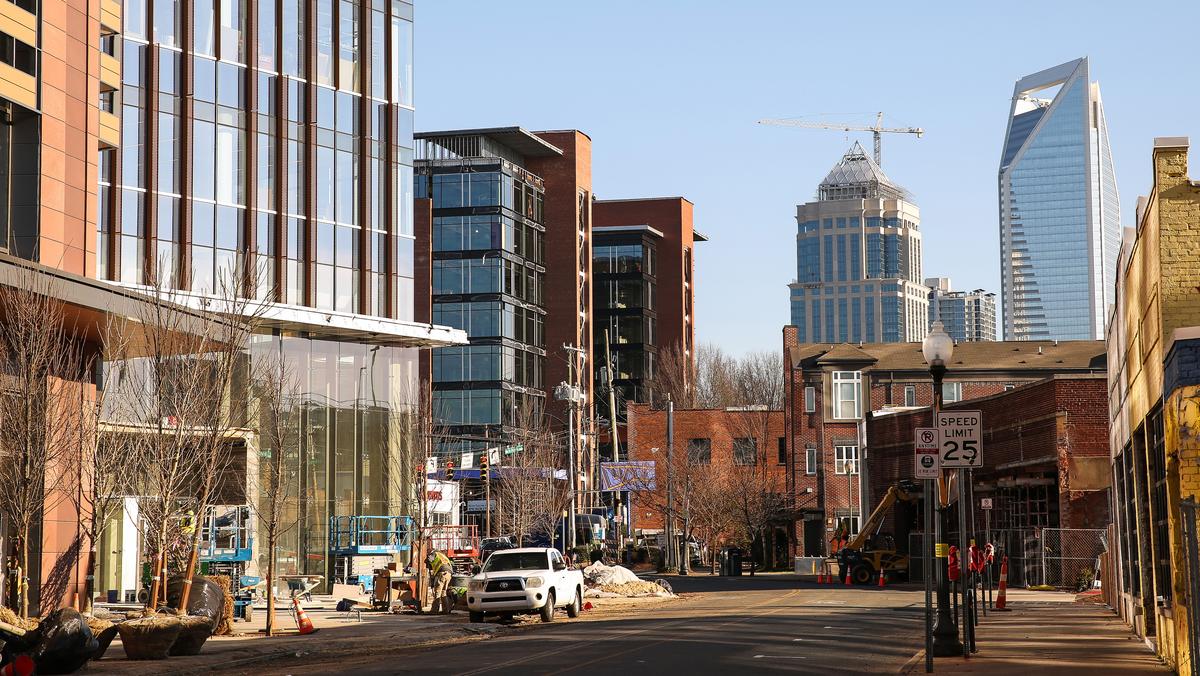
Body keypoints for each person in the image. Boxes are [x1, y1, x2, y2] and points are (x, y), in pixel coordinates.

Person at [426, 549, 454, 614]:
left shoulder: (434, 554)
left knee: (437, 592)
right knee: (444, 592)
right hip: (449, 574)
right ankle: (446, 610)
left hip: (442, 572)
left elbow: (429, 559)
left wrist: (427, 562)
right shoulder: (442, 555)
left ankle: (434, 610)